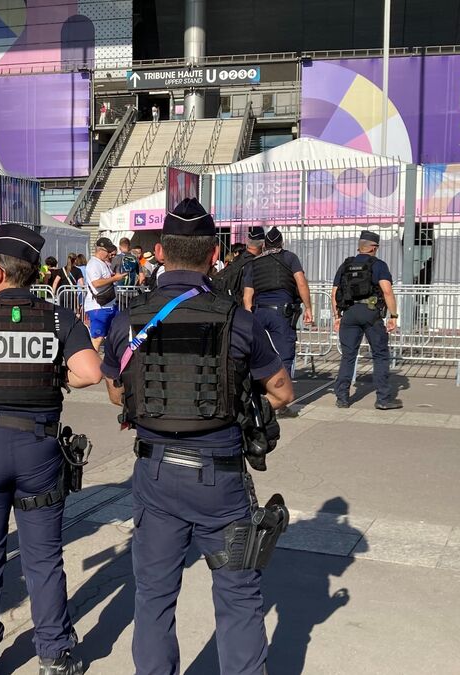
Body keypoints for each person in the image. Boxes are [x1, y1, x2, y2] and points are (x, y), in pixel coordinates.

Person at [101, 198, 294, 675]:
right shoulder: (238, 320)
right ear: (214, 254)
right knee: (238, 597)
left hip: (156, 474)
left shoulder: (129, 320)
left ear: (162, 250)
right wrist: (243, 406)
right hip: (220, 480)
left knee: (153, 597)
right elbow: (283, 391)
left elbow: (114, 392)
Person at [0, 224, 103, 675]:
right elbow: (90, 372)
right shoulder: (56, 318)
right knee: (44, 557)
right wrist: (54, 377)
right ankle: (53, 654)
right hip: (39, 448)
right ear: (31, 273)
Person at [331, 231, 402, 410]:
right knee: (379, 354)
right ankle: (383, 399)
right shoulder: (378, 265)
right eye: (376, 247)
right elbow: (387, 291)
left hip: (349, 313)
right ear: (373, 247)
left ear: (360, 247)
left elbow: (334, 293)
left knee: (348, 356)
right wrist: (393, 316)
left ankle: (342, 398)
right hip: (370, 312)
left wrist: (337, 316)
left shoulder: (346, 265)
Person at [244, 227, 315, 382]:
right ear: (282, 243)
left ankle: (260, 396)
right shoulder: (290, 258)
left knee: (258, 356)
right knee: (284, 357)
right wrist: (308, 308)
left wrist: (249, 319)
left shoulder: (254, 263)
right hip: (282, 313)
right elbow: (301, 283)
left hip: (259, 313)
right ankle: (281, 401)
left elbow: (247, 296)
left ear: (264, 245)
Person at [85, 238, 126, 351]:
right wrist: (114, 278)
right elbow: (96, 283)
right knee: (98, 338)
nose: (110, 254)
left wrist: (112, 277)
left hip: (109, 305)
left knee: (115, 334)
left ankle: (109, 362)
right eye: (108, 251)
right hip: (98, 306)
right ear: (100, 250)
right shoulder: (93, 263)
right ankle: (92, 364)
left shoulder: (103, 263)